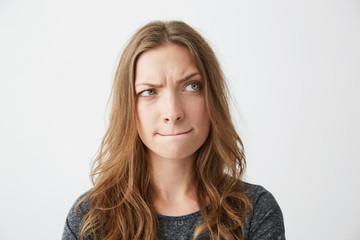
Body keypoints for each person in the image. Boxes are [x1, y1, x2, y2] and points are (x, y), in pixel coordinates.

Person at [62, 20, 285, 240]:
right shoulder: (90, 219)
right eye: (149, 91)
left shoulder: (254, 211)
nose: (173, 112)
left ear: (213, 99)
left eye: (191, 86)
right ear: (128, 108)